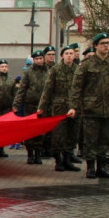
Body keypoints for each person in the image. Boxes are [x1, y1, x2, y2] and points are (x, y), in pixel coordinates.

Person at [68, 32, 109, 179]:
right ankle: (90, 168)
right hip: (91, 108)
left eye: (108, 43)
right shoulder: (87, 65)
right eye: (103, 43)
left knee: (106, 139)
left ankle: (102, 167)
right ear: (96, 45)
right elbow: (76, 87)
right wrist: (74, 106)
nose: (106, 46)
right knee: (91, 139)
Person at [37, 43, 81, 171]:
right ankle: (58, 160)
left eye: (71, 54)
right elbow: (48, 90)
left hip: (75, 107)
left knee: (72, 135)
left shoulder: (78, 70)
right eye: (66, 54)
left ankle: (68, 159)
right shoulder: (56, 70)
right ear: (62, 56)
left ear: (74, 56)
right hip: (59, 107)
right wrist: (42, 106)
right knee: (59, 135)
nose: (69, 56)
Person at [13, 49, 49, 164]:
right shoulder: (28, 73)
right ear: (33, 60)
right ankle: (30, 154)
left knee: (40, 131)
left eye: (41, 59)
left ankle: (38, 154)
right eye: (37, 59)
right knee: (30, 130)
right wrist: (16, 104)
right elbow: (22, 89)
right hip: (30, 105)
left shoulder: (48, 72)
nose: (39, 61)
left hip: (43, 106)